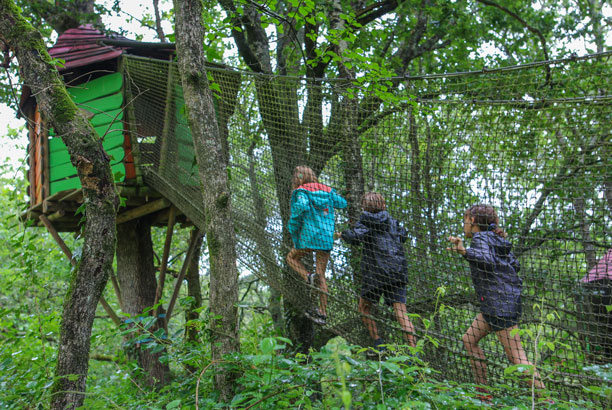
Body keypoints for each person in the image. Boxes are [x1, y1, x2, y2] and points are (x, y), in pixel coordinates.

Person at [447, 204, 545, 393]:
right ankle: (483, 393)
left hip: (499, 306)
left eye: (465, 220)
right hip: (497, 304)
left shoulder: (480, 238)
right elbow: (514, 266)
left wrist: (465, 252)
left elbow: (488, 261)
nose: (464, 224)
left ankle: (548, 402)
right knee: (469, 340)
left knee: (517, 359)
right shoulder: (496, 239)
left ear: (473, 220)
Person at [338, 192, 416, 350]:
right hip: (396, 271)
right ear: (383, 205)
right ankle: (414, 350)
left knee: (364, 308)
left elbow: (355, 238)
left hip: (375, 274)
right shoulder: (392, 222)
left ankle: (378, 342)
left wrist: (343, 234)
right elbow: (403, 235)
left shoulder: (365, 222)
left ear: (364, 207)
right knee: (401, 312)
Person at [286, 165, 347, 325]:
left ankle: (307, 276)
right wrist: (331, 195)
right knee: (322, 275)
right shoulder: (326, 189)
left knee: (291, 258)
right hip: (325, 237)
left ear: (298, 178)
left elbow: (302, 206)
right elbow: (342, 203)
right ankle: (323, 312)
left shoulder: (301, 191)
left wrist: (294, 222)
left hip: (309, 235)